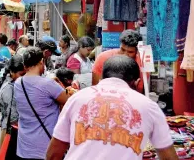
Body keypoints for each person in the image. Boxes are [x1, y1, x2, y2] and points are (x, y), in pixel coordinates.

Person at [46, 55, 178, 160]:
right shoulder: (149, 107)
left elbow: (54, 153)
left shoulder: (76, 98)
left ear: (102, 77)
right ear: (137, 82)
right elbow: (168, 156)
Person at [14, 47, 69, 160]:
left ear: (25, 65)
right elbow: (69, 100)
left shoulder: (18, 83)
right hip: (44, 147)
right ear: (41, 62)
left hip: (24, 147)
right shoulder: (47, 84)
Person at [92, 29, 145, 93]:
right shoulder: (103, 58)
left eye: (130, 52)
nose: (125, 54)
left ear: (137, 52)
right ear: (120, 45)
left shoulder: (142, 64)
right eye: (122, 49)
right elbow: (95, 88)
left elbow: (139, 91)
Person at [0, 55, 25, 151]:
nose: (23, 77)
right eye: (21, 74)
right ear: (12, 72)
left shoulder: (13, 84)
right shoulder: (10, 88)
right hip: (11, 128)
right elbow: (10, 114)